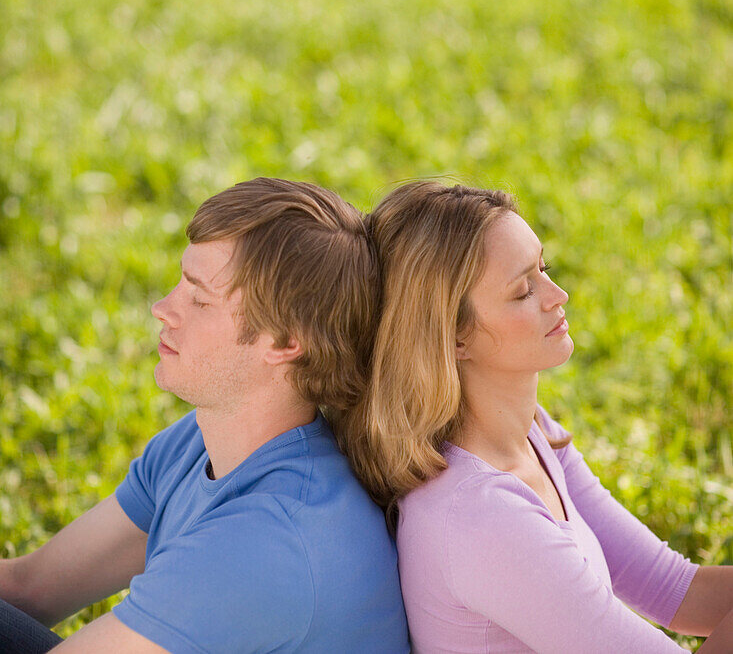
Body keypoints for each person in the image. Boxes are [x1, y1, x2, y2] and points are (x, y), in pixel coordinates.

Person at [0, 178, 410, 654]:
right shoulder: (201, 441)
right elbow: (31, 589)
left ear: (284, 343)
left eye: (199, 299)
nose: (162, 309)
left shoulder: (268, 542)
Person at [338, 180, 733, 653]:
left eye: (544, 268)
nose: (558, 295)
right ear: (454, 337)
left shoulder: (529, 431)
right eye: (524, 290)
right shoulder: (480, 519)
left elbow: (676, 589)